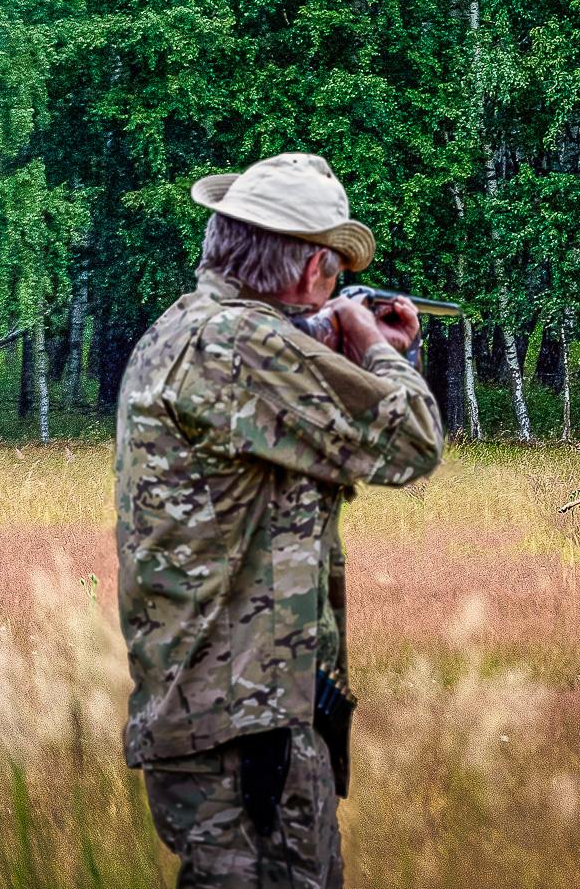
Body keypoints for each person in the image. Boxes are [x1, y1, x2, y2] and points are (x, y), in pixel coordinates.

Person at [115, 152, 445, 888]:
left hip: (214, 717)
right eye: (331, 269)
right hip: (248, 728)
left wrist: (324, 340)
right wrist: (372, 348)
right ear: (310, 273)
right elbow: (413, 442)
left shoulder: (183, 331)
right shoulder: (243, 346)